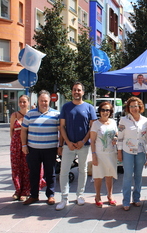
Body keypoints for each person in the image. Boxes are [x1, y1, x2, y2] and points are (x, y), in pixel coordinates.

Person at [56, 82, 97, 210]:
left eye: (79, 90)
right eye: (74, 90)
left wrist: (83, 141)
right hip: (69, 146)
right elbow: (62, 126)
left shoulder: (89, 108)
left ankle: (80, 195)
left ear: (83, 92)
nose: (76, 92)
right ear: (72, 92)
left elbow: (92, 127)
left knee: (83, 170)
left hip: (83, 146)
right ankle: (64, 198)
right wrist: (66, 143)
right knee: (64, 171)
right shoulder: (66, 107)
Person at [21, 90, 62, 205]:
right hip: (33, 149)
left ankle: (51, 195)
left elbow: (61, 131)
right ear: (37, 101)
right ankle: (34, 195)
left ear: (49, 101)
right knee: (33, 173)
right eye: (41, 101)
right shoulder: (30, 114)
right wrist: (24, 145)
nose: (43, 103)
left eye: (46, 101)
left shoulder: (56, 115)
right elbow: (23, 131)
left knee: (50, 173)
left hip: (50, 149)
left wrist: (60, 146)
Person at [10, 95, 46, 202]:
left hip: (29, 144)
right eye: (20, 101)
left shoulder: (32, 115)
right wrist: (14, 143)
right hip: (16, 145)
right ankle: (18, 190)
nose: (22, 104)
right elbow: (11, 130)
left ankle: (26, 191)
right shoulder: (14, 115)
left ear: (28, 102)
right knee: (16, 167)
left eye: (24, 102)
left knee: (27, 168)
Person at [117, 97, 147, 211]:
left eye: (135, 106)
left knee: (138, 176)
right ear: (128, 108)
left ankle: (136, 198)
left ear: (140, 107)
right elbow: (120, 138)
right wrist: (119, 152)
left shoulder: (145, 120)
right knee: (127, 175)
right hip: (127, 151)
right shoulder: (123, 120)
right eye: (131, 106)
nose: (133, 108)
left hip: (141, 151)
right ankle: (126, 200)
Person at [90, 101, 118, 208]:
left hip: (111, 153)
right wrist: (93, 155)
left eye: (107, 110)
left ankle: (110, 196)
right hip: (99, 154)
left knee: (109, 175)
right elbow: (92, 140)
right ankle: (98, 196)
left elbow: (116, 134)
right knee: (98, 176)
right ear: (99, 111)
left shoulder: (113, 122)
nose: (105, 112)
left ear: (110, 112)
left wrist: (116, 138)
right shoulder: (96, 124)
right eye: (103, 110)